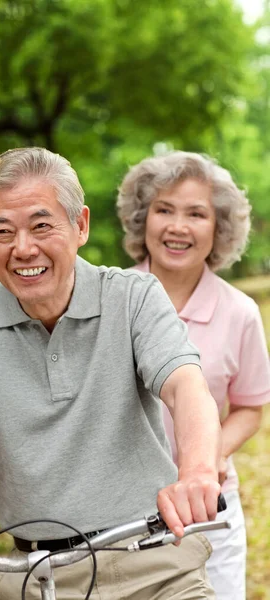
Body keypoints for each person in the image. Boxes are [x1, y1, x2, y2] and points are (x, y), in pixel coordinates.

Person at [0, 147, 222, 600]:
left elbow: (185, 386)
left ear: (80, 226)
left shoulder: (134, 298)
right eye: (3, 231)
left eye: (41, 225)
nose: (23, 248)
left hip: (158, 560)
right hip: (40, 578)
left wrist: (196, 472)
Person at [117, 150, 270, 600]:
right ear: (142, 219)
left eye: (196, 214)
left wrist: (204, 458)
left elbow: (249, 408)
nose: (178, 226)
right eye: (164, 209)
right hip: (117, 513)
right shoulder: (108, 302)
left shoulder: (240, 312)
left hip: (209, 510)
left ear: (218, 229)